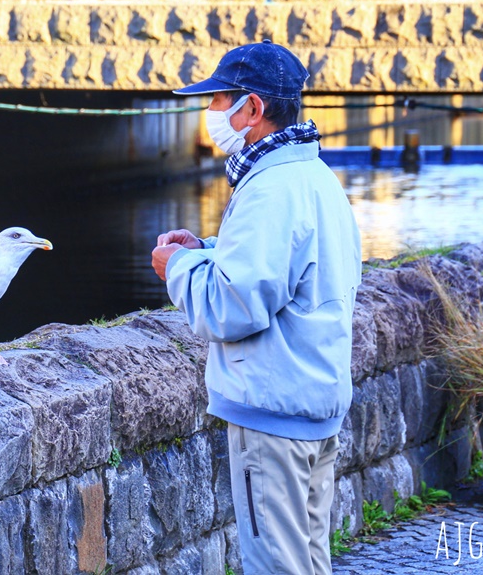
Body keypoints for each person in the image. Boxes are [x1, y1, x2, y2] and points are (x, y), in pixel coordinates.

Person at [151, 41, 361, 574]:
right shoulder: (314, 178)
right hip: (311, 401)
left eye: (220, 100)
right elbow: (287, 271)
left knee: (275, 564)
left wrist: (175, 268)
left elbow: (230, 307)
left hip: (273, 412)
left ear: (253, 107)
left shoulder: (270, 190)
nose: (212, 113)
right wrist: (206, 252)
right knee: (309, 560)